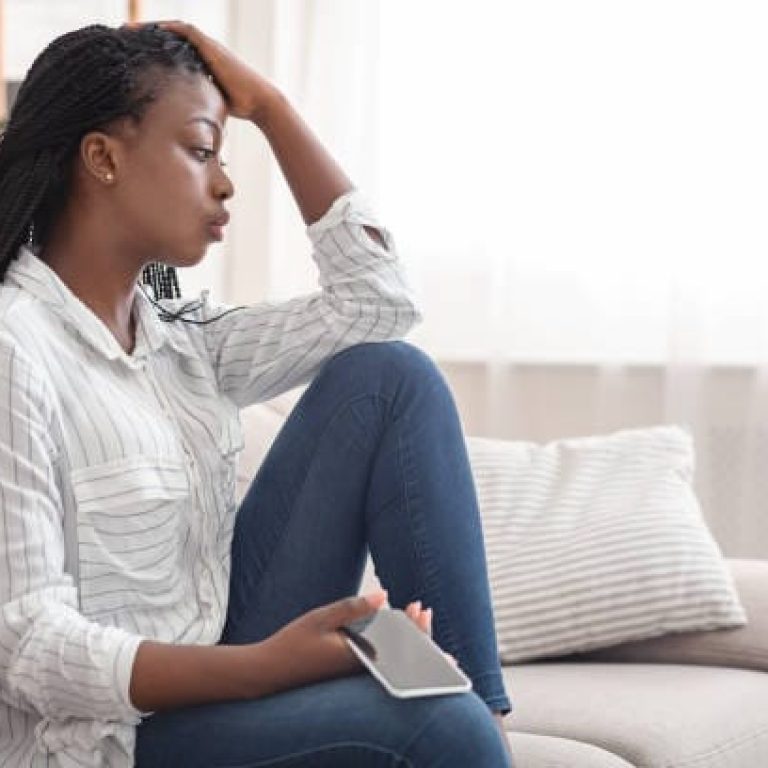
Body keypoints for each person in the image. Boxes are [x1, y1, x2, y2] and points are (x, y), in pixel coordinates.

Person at [0, 19, 513, 768]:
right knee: (438, 728)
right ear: (103, 158)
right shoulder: (16, 349)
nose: (226, 181)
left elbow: (378, 305)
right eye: (202, 150)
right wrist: (268, 666)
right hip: (113, 735)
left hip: (218, 653)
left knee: (390, 378)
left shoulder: (183, 339)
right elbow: (27, 643)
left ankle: (490, 723)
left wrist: (270, 107)